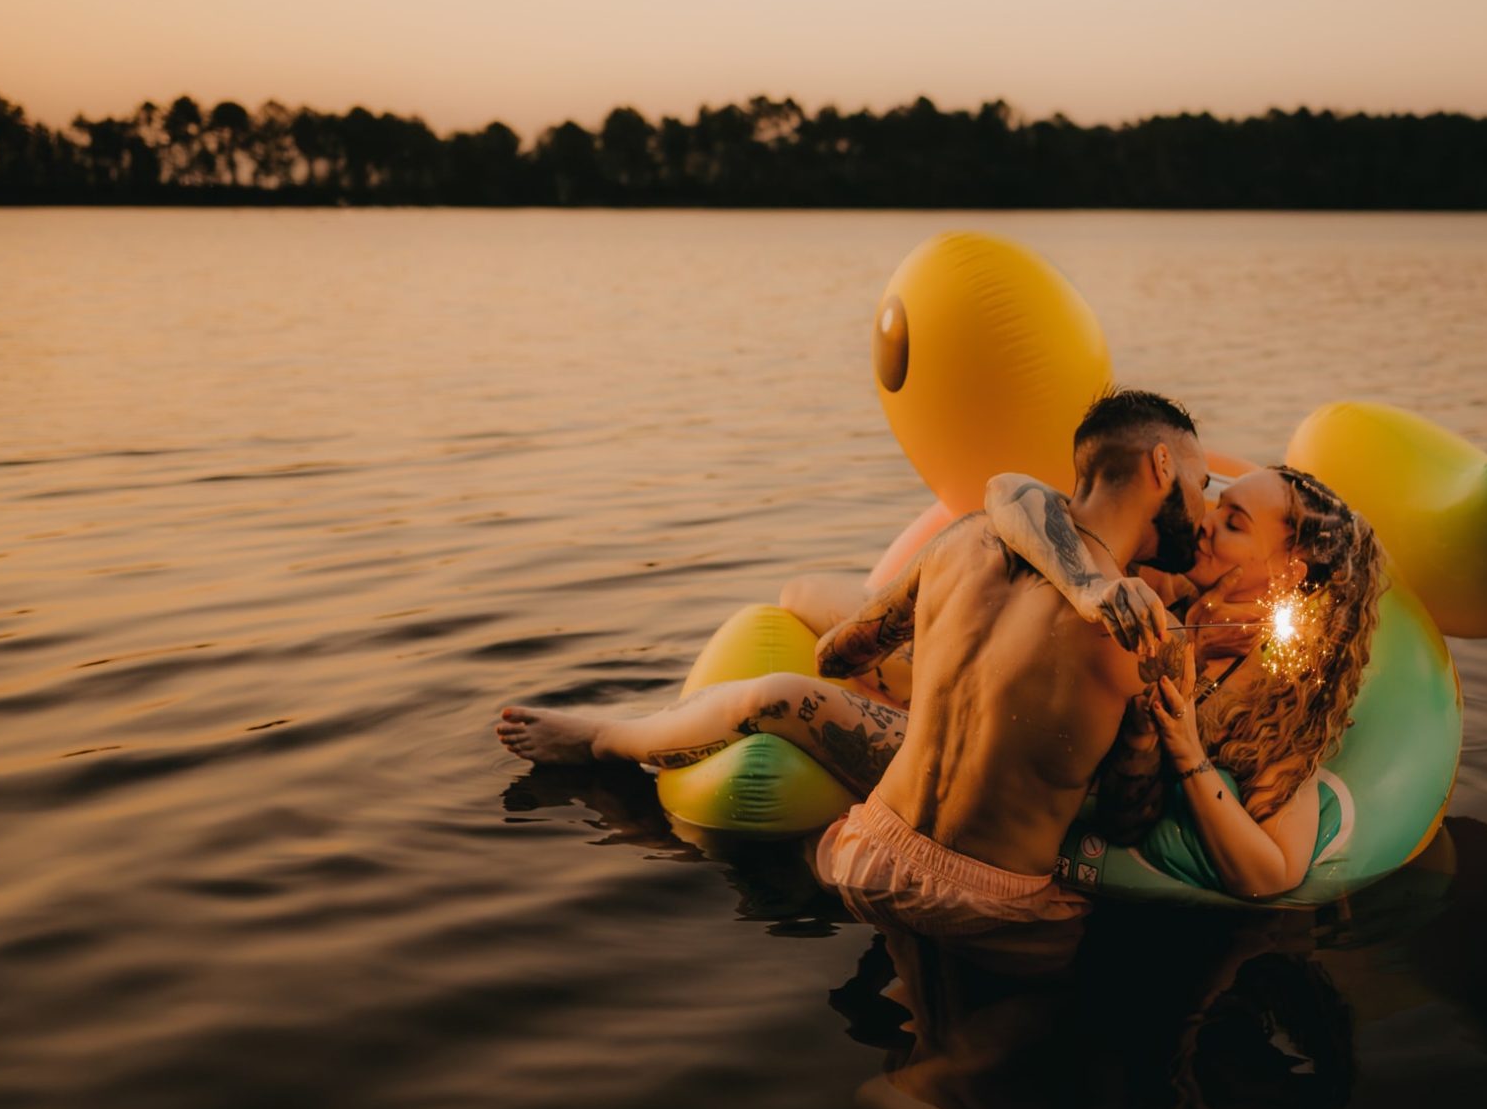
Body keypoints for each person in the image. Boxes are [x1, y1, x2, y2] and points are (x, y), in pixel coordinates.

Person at [497, 388, 1211, 934]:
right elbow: (1126, 819)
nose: (1205, 506)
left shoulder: (963, 540)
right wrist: (1151, 729)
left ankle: (600, 740)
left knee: (778, 695)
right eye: (1201, 483)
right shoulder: (1150, 643)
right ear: (1160, 466)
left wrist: (949, 665)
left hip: (864, 855)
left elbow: (838, 652)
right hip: (991, 908)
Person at [978, 462, 1385, 900]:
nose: (1205, 523)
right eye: (1217, 508)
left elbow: (1275, 872)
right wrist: (1095, 592)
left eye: (1233, 523)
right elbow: (1009, 493)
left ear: (1289, 574)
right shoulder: (1161, 584)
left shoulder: (1278, 696)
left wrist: (1188, 749)